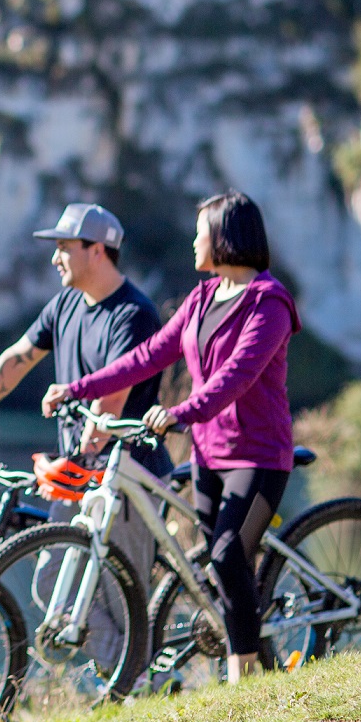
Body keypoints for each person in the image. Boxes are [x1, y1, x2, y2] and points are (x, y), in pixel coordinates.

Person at [43, 190, 298, 686]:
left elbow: (236, 377)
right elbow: (147, 357)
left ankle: (243, 679)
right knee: (220, 563)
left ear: (224, 236)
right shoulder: (202, 299)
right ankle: (252, 656)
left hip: (259, 456)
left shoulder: (269, 303)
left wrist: (179, 412)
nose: (194, 242)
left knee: (227, 555)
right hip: (208, 454)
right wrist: (78, 387)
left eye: (200, 233)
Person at [0, 202, 169, 586]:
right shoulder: (65, 304)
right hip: (79, 474)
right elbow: (16, 360)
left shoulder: (133, 314)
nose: (54, 259)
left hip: (127, 479)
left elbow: (110, 402)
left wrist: (76, 462)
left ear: (97, 251)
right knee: (50, 585)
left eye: (64, 247)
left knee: (114, 597)